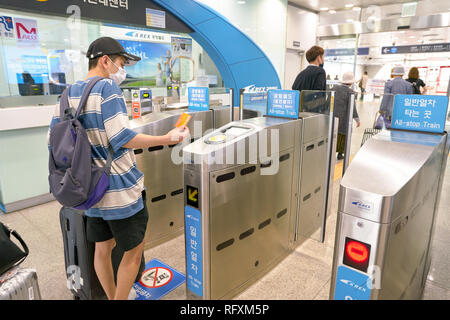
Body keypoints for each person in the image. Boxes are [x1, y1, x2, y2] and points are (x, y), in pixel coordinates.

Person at [48, 37, 190, 300]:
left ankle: (114, 297)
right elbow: (122, 138)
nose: (121, 69)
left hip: (88, 190)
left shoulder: (66, 95)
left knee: (102, 249)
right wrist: (167, 138)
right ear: (105, 61)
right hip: (119, 190)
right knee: (134, 251)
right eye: (121, 63)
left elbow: (53, 143)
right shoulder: (107, 88)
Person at [333, 72, 360, 160]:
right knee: (343, 135)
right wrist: (357, 119)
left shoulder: (334, 88)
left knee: (334, 134)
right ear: (351, 82)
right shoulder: (351, 92)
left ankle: (331, 151)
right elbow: (353, 108)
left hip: (334, 117)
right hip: (344, 119)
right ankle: (340, 154)